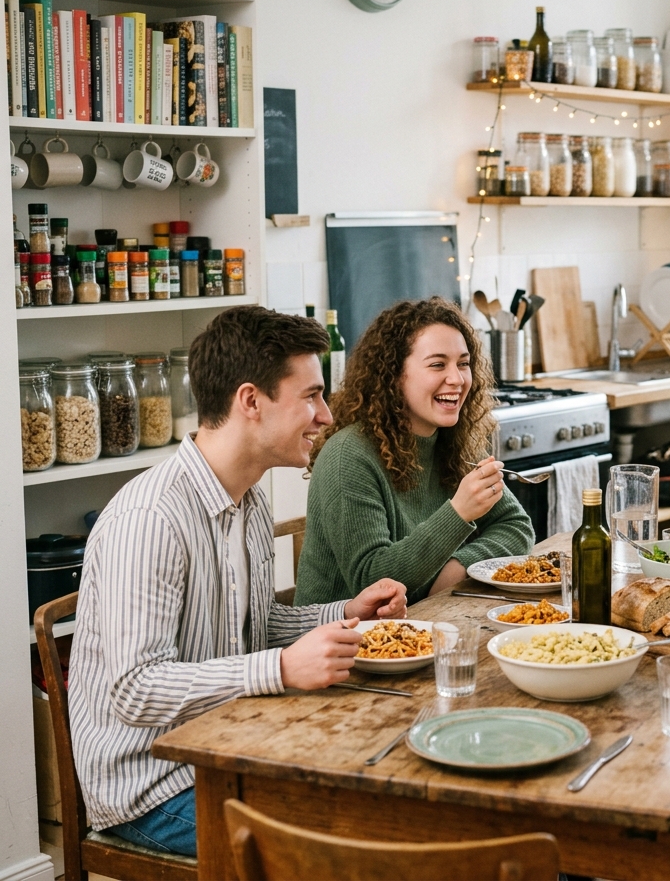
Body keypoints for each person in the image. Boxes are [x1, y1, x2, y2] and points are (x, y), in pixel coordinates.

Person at [69, 307, 409, 857]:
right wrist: (281, 668)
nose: (325, 415)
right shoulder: (151, 518)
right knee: (352, 842)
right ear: (250, 401)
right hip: (153, 787)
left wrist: (346, 613)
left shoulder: (247, 499)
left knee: (387, 795)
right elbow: (135, 688)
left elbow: (257, 623)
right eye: (311, 395)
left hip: (232, 745)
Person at [295, 298, 534, 607]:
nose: (457, 379)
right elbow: (372, 581)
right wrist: (459, 513)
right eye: (437, 364)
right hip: (346, 634)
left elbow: (516, 526)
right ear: (394, 375)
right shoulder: (348, 455)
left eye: (463, 363)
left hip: (426, 619)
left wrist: (458, 567)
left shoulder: (453, 443)